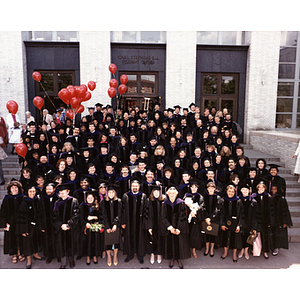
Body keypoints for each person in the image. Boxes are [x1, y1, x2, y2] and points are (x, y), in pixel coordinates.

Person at [161, 184, 190, 269]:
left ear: (176, 194)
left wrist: (178, 228)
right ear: (168, 194)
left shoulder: (180, 203)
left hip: (178, 229)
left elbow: (183, 216)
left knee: (179, 244)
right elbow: (163, 217)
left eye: (174, 193)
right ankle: (172, 258)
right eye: (170, 193)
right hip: (169, 229)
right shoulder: (165, 204)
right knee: (170, 243)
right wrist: (170, 227)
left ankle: (178, 259)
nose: (172, 195)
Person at [121, 178, 148, 264]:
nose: (135, 187)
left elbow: (146, 210)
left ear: (139, 187)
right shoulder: (125, 196)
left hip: (140, 222)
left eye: (136, 186)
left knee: (140, 238)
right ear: (131, 186)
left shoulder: (143, 196)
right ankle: (130, 254)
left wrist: (144, 222)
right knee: (129, 237)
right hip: (129, 222)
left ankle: (140, 255)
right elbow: (123, 210)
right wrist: (123, 222)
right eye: (133, 186)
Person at [53, 183, 79, 269]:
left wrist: (68, 225)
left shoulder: (73, 201)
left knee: (70, 244)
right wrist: (61, 225)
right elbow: (54, 217)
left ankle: (71, 260)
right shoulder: (57, 203)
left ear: (68, 192)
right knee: (61, 245)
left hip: (70, 228)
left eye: (64, 192)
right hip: (60, 229)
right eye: (61, 192)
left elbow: (76, 215)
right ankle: (63, 263)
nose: (62, 194)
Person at [0, 180, 26, 264]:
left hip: (20, 221)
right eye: (12, 188)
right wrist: (4, 223)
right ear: (10, 189)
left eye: (16, 188)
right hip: (10, 223)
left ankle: (20, 254)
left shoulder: (23, 198)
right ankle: (14, 255)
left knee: (20, 238)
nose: (14, 189)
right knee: (12, 239)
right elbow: (2, 212)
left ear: (19, 189)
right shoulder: (6, 199)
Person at [19, 185, 45, 269]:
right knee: (27, 243)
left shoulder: (38, 201)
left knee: (37, 240)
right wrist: (23, 230)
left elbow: (41, 214)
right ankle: (29, 259)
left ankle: (36, 255)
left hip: (37, 225)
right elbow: (21, 217)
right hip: (28, 226)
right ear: (27, 192)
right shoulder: (24, 202)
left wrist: (41, 225)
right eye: (30, 191)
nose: (32, 193)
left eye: (34, 191)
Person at [219, 184, 245, 263]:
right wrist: (222, 224)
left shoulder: (238, 201)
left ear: (235, 192)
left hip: (235, 223)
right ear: (226, 191)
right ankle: (225, 252)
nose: (230, 193)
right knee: (225, 237)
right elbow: (221, 213)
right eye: (229, 191)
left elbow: (241, 214)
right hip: (226, 223)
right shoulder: (223, 200)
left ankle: (234, 254)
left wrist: (239, 225)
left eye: (232, 191)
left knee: (235, 239)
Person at [78, 190, 103, 266]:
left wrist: (94, 217)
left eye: (91, 198)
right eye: (88, 198)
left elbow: (101, 217)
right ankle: (88, 256)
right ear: (86, 198)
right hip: (86, 227)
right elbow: (81, 217)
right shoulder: (83, 206)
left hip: (95, 227)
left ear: (94, 198)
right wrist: (86, 223)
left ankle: (95, 256)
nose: (90, 199)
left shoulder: (97, 206)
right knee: (87, 242)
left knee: (95, 241)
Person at [251, 181, 275, 259]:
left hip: (265, 220)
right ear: (257, 187)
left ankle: (265, 251)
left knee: (265, 236)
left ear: (265, 188)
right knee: (255, 235)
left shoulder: (268, 197)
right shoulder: (253, 196)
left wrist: (270, 221)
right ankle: (255, 250)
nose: (261, 189)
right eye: (259, 187)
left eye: (263, 187)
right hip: (256, 219)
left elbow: (271, 210)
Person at [100, 184, 122, 266]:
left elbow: (120, 214)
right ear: (107, 193)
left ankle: (115, 256)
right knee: (108, 242)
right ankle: (109, 256)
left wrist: (115, 224)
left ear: (115, 193)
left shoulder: (119, 201)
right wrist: (107, 226)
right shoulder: (103, 202)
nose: (111, 194)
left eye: (113, 193)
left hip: (116, 225)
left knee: (115, 241)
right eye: (110, 193)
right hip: (107, 226)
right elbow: (103, 215)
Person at [200, 180, 223, 257]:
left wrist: (211, 218)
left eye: (212, 188)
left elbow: (218, 209)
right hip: (206, 219)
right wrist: (206, 218)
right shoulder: (204, 197)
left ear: (215, 189)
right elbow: (203, 208)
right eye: (209, 188)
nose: (211, 189)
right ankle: (207, 248)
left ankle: (212, 249)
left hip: (214, 219)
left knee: (213, 234)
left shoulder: (218, 197)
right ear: (207, 189)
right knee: (206, 233)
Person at [183, 179, 203, 258]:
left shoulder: (200, 196)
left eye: (195, 187)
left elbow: (202, 206)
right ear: (190, 187)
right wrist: (189, 211)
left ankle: (193, 250)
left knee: (194, 235)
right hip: (187, 218)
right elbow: (183, 206)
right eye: (192, 187)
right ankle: (186, 249)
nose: (194, 188)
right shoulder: (186, 195)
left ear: (197, 188)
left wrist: (196, 211)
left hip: (195, 218)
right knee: (186, 234)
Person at [270, 184, 293, 256]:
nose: (273, 191)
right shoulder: (268, 197)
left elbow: (285, 211)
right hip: (271, 219)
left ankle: (276, 247)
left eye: (275, 189)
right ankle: (271, 246)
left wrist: (285, 221)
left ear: (278, 190)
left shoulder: (281, 198)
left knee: (277, 234)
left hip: (278, 220)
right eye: (272, 189)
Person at [39, 182, 58, 264]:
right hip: (46, 224)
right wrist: (42, 225)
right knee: (48, 240)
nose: (48, 190)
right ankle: (49, 256)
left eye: (50, 189)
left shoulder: (58, 198)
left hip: (56, 223)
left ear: (54, 189)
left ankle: (58, 255)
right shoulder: (42, 199)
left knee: (57, 239)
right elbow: (39, 213)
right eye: (47, 189)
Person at [146, 185, 165, 264]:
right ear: (152, 192)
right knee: (152, 239)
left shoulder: (163, 201)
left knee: (161, 239)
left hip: (161, 225)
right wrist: (149, 226)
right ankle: (153, 253)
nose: (156, 193)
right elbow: (147, 215)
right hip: (153, 224)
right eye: (155, 192)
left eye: (158, 192)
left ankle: (159, 254)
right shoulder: (149, 201)